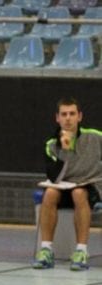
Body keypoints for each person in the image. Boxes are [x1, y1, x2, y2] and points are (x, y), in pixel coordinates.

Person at [33, 97, 102, 271]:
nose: (68, 118)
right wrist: (64, 151)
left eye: (72, 114)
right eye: (64, 114)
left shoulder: (95, 137)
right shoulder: (51, 144)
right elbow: (54, 178)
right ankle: (46, 250)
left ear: (80, 116)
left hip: (88, 186)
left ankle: (81, 251)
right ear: (57, 118)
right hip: (63, 186)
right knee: (49, 193)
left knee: (79, 193)